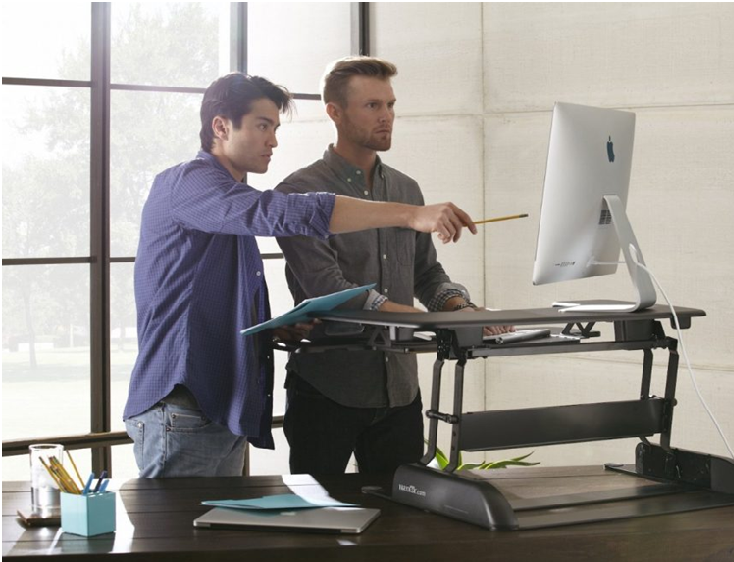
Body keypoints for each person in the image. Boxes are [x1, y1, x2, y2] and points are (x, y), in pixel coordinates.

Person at [123, 72, 477, 478]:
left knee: (210, 540)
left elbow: (197, 300)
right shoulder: (189, 183)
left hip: (215, 406)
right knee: (181, 540)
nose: (272, 140)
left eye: (274, 128)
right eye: (261, 126)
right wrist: (410, 214)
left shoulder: (227, 204)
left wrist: (268, 330)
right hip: (184, 406)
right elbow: (284, 214)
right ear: (221, 126)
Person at [275, 57, 511, 475]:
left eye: (390, 105)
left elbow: (426, 273)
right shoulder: (299, 193)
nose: (386, 117)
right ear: (334, 111)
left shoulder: (406, 189)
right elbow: (328, 288)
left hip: (401, 392)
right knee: (314, 530)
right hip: (328, 390)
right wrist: (426, 321)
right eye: (372, 106)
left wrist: (458, 308)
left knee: (402, 524)